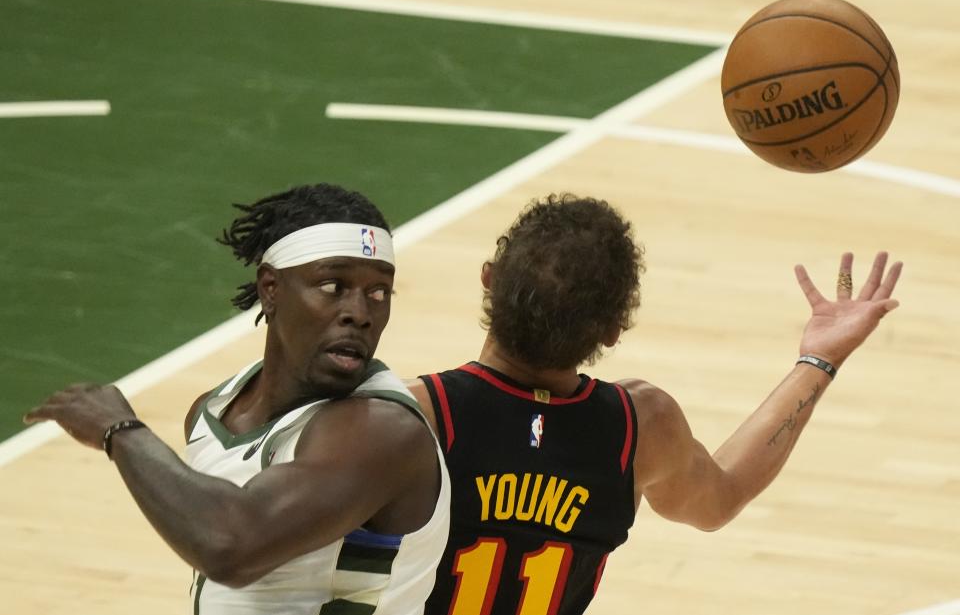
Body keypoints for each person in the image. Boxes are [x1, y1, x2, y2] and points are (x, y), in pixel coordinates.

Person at [407, 193, 902, 615]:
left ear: (489, 278)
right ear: (612, 329)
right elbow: (720, 498)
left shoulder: (414, 416)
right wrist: (820, 359)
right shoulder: (639, 426)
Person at [25, 183, 451, 615]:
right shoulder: (214, 410)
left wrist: (119, 430)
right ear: (271, 288)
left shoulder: (382, 430)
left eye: (379, 292)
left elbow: (230, 546)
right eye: (332, 286)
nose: (360, 312)